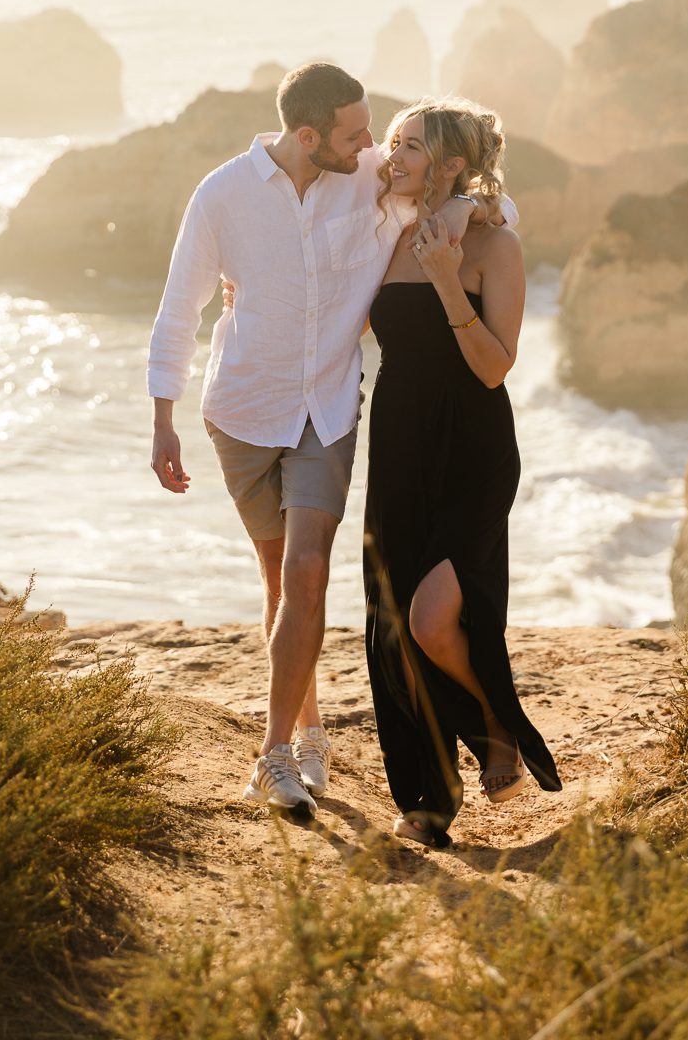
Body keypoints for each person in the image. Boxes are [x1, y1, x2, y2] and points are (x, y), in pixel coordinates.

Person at [147, 63, 506, 819]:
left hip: (329, 413)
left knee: (308, 570)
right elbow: (181, 305)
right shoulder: (223, 195)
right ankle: (309, 734)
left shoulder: (371, 174)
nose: (374, 145)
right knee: (281, 578)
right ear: (310, 137)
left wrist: (477, 213)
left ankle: (273, 754)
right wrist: (162, 418)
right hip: (241, 411)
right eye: (357, 133)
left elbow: (466, 178)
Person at [363, 98, 561, 848]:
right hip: (399, 448)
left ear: (450, 163)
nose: (395, 155)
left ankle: (494, 728)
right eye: (393, 141)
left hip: (472, 451)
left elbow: (492, 369)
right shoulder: (386, 231)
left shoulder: (493, 247)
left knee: (434, 616)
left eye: (411, 145)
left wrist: (449, 282)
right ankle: (427, 802)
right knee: (392, 628)